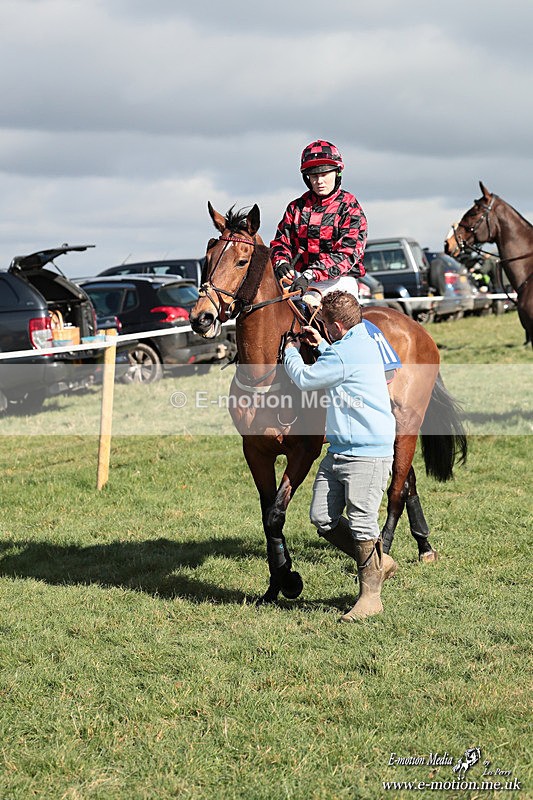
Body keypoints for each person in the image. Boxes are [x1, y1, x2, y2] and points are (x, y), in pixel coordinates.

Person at [284, 291, 397, 621]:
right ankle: (379, 561)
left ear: (335, 325)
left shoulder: (346, 352)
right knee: (322, 518)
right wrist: (322, 344)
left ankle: (370, 598)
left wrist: (292, 352)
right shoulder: (361, 336)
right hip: (340, 450)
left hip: (365, 454)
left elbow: (306, 379)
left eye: (323, 324)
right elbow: (342, 359)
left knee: (363, 524)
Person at [270, 139, 367, 303]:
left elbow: (348, 254)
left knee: (338, 324)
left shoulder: (350, 207)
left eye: (324, 175)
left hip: (339, 283)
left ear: (337, 173)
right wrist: (281, 262)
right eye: (314, 176)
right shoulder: (296, 207)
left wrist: (312, 273)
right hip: (298, 281)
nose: (319, 181)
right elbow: (281, 242)